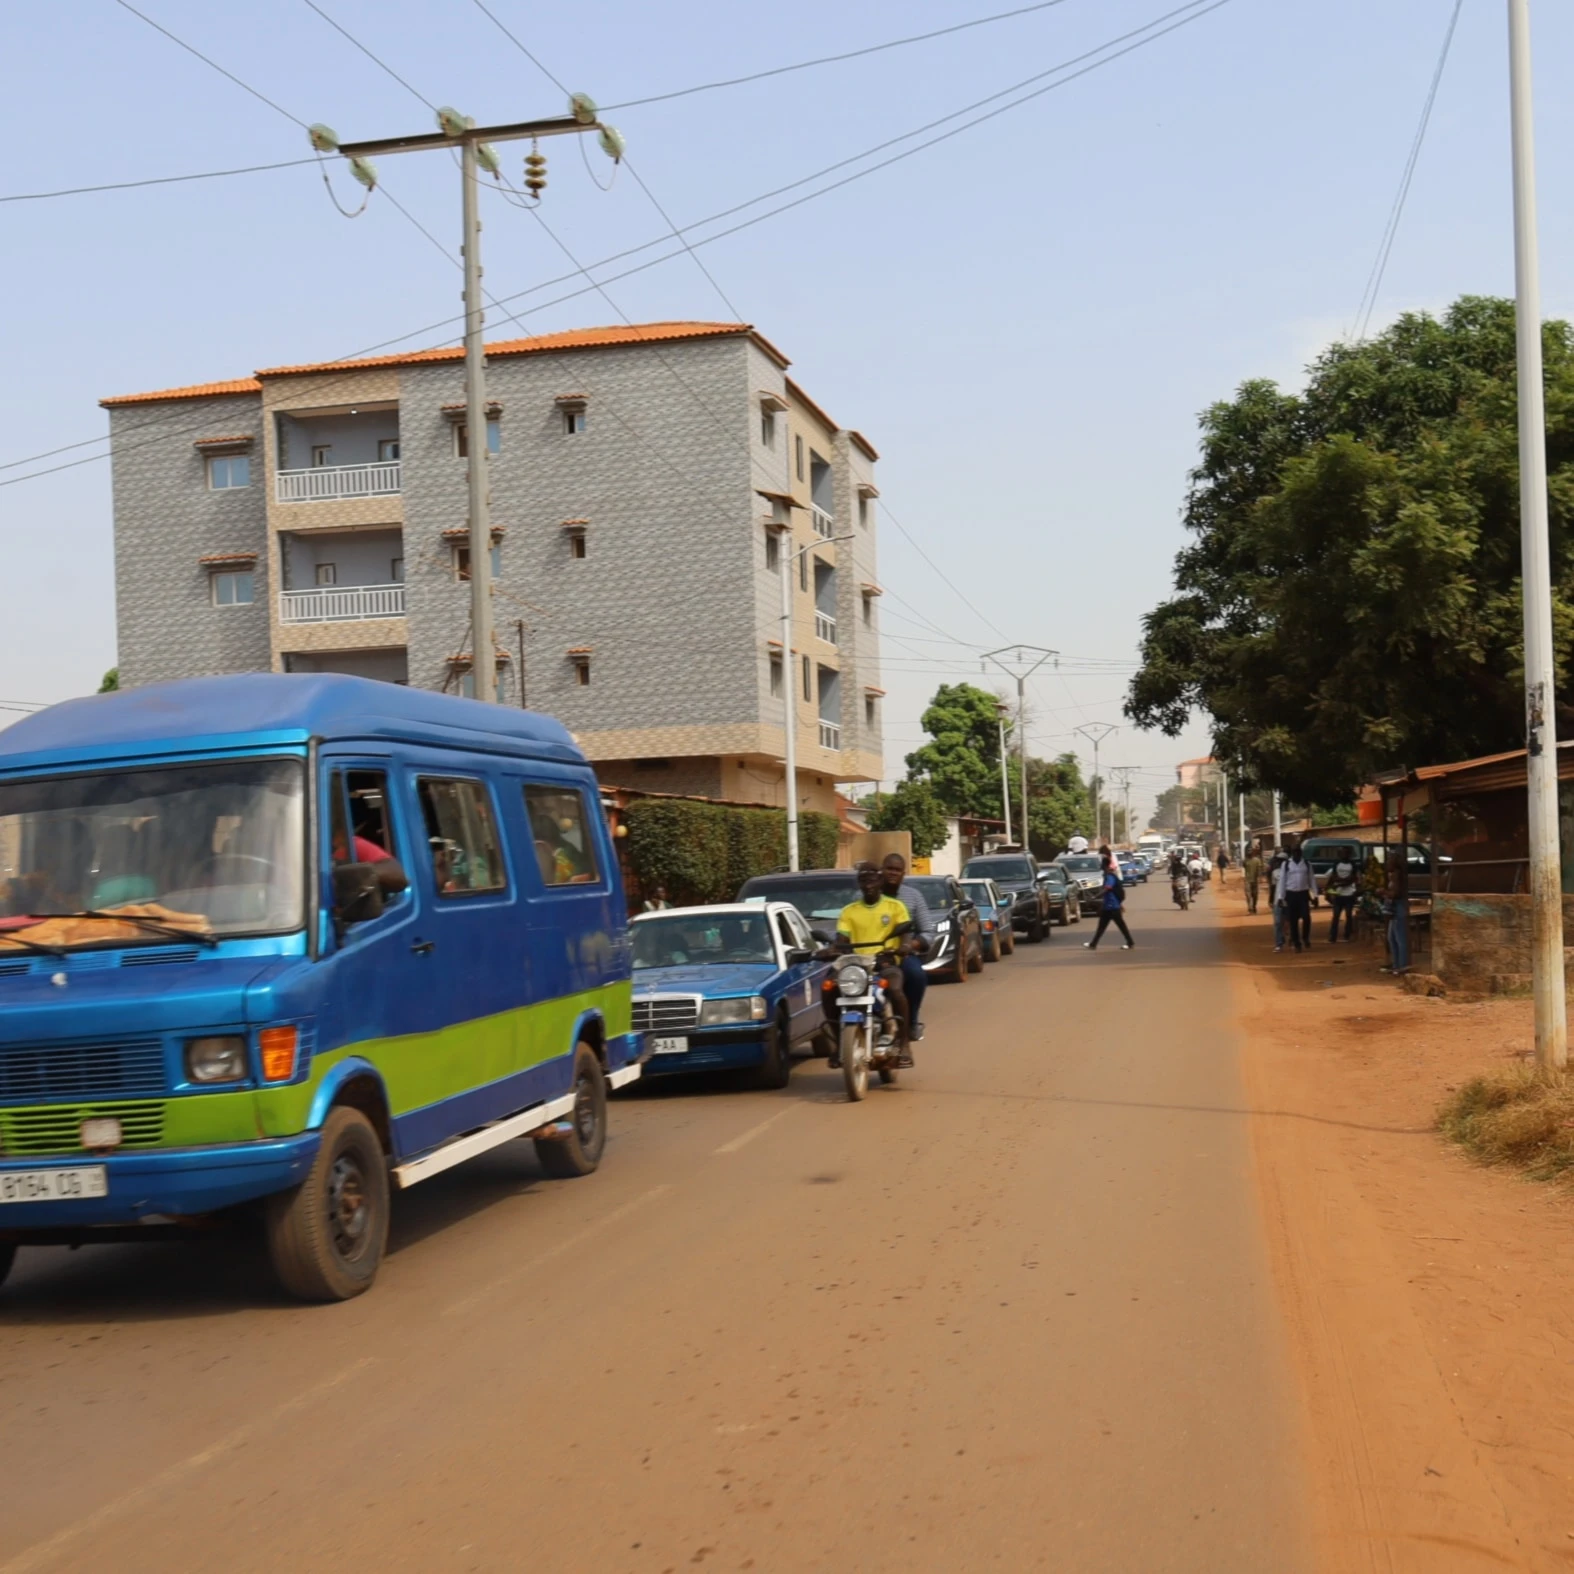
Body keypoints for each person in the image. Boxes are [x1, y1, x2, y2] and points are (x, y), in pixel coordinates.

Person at [825, 862, 914, 1067]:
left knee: (896, 990)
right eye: (864, 881)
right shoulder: (849, 911)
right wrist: (833, 948)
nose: (868, 886)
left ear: (880, 882)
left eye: (873, 881)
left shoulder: (894, 907)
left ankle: (904, 1043)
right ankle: (839, 1044)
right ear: (859, 884)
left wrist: (905, 946)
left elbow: (905, 932)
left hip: (885, 962)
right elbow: (842, 938)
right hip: (855, 965)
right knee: (828, 988)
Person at [880, 854, 935, 1043]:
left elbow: (928, 931)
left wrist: (910, 945)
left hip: (901, 955)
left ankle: (911, 1020)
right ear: (882, 870)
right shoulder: (866, 896)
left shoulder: (913, 896)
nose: (892, 874)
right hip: (869, 956)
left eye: (897, 870)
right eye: (889, 869)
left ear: (904, 874)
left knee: (917, 975)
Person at [1084, 852, 1135, 950]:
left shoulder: (1110, 877)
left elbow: (1107, 889)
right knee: (1107, 926)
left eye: (1102, 865)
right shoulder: (1110, 875)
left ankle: (1130, 942)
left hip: (1112, 906)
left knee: (1110, 926)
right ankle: (1093, 944)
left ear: (1104, 865)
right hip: (1110, 906)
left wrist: (1094, 897)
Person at [1278, 837, 1314, 952]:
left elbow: (1312, 880)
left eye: (1298, 851)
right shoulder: (1286, 864)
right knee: (1293, 920)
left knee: (1306, 918)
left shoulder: (1307, 864)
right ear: (1292, 853)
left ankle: (1305, 938)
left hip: (1303, 894)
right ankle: (1297, 943)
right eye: (1294, 851)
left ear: (1301, 852)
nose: (1297, 853)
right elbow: (1282, 881)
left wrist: (1316, 895)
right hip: (1291, 894)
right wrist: (1280, 897)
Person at [1382, 864, 1411, 975]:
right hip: (1393, 911)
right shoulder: (1392, 877)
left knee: (1399, 939)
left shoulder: (1398, 878)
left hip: (1398, 910)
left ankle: (1402, 965)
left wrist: (1384, 892)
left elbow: (1396, 894)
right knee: (1392, 938)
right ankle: (1396, 965)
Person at [1325, 855, 1359, 942]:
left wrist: (1339, 883)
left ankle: (1347, 935)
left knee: (1348, 915)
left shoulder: (1352, 864)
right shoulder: (1337, 864)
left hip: (1349, 893)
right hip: (1338, 894)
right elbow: (1333, 878)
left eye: (1346, 853)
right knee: (1336, 915)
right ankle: (1333, 936)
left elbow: (1353, 878)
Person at [1242, 846, 1263, 914]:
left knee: (1255, 895)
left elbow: (1259, 869)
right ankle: (1250, 908)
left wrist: (1260, 878)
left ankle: (1254, 907)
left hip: (1255, 880)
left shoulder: (1257, 860)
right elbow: (1244, 867)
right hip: (1247, 880)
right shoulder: (1245, 860)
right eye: (1248, 851)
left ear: (1253, 852)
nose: (1249, 852)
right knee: (1248, 895)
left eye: (1250, 851)